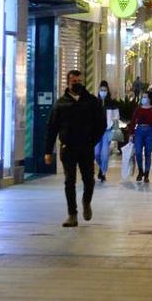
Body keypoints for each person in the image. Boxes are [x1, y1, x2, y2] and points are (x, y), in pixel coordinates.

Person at [44, 70, 107, 227]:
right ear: (68, 83)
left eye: (80, 80)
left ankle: (86, 202)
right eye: (74, 81)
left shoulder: (92, 102)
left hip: (86, 148)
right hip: (68, 148)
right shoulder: (60, 104)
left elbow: (101, 125)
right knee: (69, 181)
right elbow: (52, 128)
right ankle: (72, 214)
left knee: (89, 180)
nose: (77, 83)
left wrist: (92, 141)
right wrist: (47, 151)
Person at [128, 89, 152, 182]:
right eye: (143, 97)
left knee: (148, 153)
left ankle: (146, 174)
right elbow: (133, 121)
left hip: (150, 132)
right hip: (139, 131)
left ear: (150, 99)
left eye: (145, 97)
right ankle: (140, 171)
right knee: (138, 152)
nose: (143, 99)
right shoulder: (138, 109)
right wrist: (131, 133)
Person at [96, 81, 120, 182]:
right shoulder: (95, 103)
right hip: (96, 132)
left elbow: (116, 118)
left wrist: (115, 132)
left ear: (108, 91)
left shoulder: (112, 103)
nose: (103, 92)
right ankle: (101, 168)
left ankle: (103, 172)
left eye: (105, 90)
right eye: (101, 90)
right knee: (96, 154)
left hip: (107, 131)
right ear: (98, 91)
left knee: (105, 154)